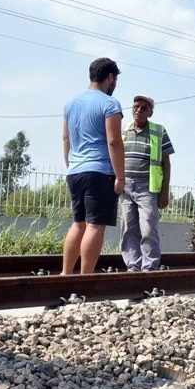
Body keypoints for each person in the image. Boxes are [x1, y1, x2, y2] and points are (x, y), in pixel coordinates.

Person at [62, 58, 124, 274]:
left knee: (78, 224)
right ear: (110, 77)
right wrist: (120, 176)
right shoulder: (109, 104)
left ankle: (65, 274)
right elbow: (114, 141)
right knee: (95, 225)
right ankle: (85, 279)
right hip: (99, 171)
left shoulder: (71, 103)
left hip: (75, 171)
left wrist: (71, 165)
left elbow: (65, 139)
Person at [119, 94, 174, 271]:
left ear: (150, 113)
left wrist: (165, 192)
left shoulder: (159, 131)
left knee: (148, 227)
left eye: (144, 108)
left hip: (147, 187)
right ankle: (133, 266)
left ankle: (149, 267)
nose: (139, 110)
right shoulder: (123, 130)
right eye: (136, 106)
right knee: (128, 228)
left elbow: (166, 162)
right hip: (126, 186)